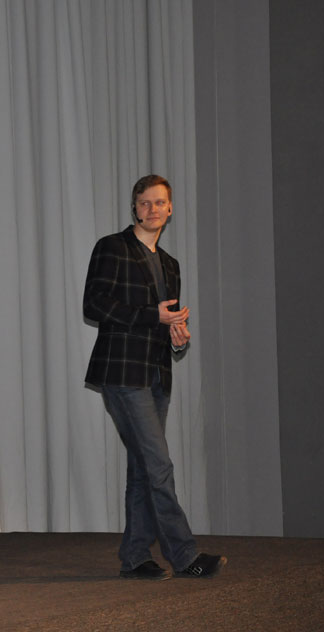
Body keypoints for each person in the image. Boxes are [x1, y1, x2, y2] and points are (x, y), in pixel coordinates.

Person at [83, 174, 225, 581]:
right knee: (159, 465)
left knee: (145, 469)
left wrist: (177, 337)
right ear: (134, 208)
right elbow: (94, 304)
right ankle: (184, 556)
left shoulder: (169, 264)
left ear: (170, 208)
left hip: (156, 374)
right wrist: (152, 316)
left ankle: (135, 558)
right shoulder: (112, 247)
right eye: (144, 203)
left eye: (160, 203)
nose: (152, 209)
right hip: (122, 373)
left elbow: (166, 322)